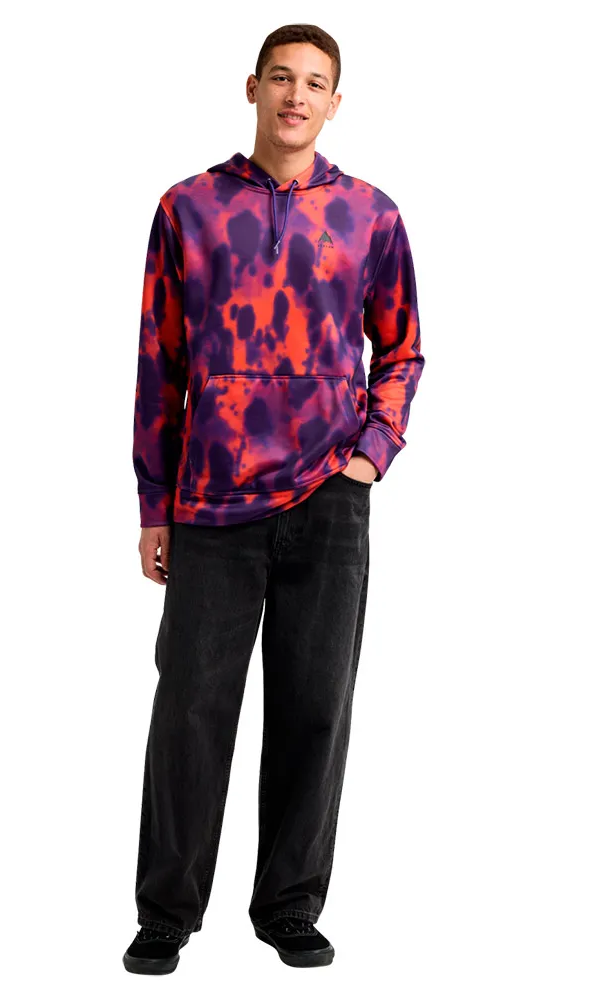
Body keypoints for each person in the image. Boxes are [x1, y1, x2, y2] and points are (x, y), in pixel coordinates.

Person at [124, 23, 425, 975]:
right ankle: (167, 912)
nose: (297, 96)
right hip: (211, 501)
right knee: (190, 711)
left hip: (329, 498)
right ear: (253, 88)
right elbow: (160, 361)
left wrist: (371, 454)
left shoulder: (371, 216)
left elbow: (403, 349)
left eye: (316, 83)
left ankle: (290, 905)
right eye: (282, 78)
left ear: (336, 102)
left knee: (313, 708)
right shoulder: (188, 208)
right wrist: (154, 501)